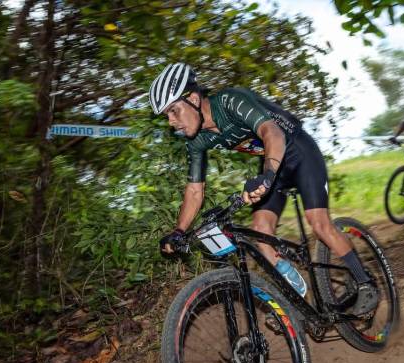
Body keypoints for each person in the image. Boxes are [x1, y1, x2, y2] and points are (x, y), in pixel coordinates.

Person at [151, 63, 378, 315]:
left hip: (299, 151)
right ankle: (294, 297)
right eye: (167, 116)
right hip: (273, 164)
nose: (171, 122)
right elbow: (194, 191)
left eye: (174, 111)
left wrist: (267, 175)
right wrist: (179, 231)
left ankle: (365, 281)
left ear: (193, 98)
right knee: (260, 231)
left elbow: (272, 132)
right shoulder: (197, 140)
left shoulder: (229, 101)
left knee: (319, 223)